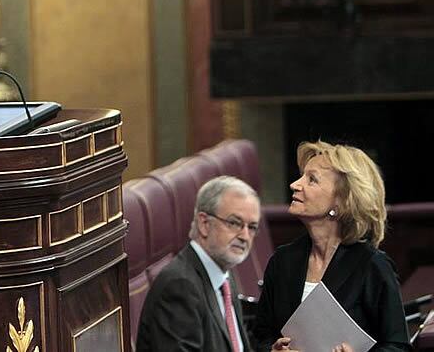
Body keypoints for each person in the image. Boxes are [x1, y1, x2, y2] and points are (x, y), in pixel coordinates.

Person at [254, 141, 411, 352]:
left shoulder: (372, 265)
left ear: (341, 202)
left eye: (312, 180)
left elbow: (398, 346)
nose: (295, 184)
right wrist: (272, 350)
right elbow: (260, 337)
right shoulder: (282, 261)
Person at [137, 175, 261, 352]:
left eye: (252, 227)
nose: (244, 236)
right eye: (234, 223)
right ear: (204, 223)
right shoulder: (180, 286)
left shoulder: (223, 275)